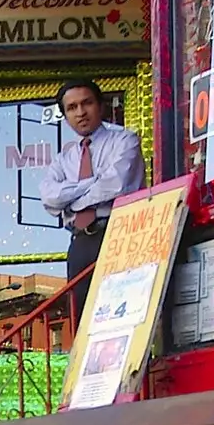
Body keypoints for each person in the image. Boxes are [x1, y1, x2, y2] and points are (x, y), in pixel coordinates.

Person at [40, 80, 145, 315]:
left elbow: (115, 185)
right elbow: (49, 197)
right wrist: (91, 183)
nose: (80, 112)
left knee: (122, 312)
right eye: (72, 107)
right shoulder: (63, 158)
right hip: (79, 243)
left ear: (100, 106)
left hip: (119, 233)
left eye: (86, 103)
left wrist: (71, 199)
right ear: (65, 116)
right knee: (82, 317)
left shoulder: (125, 141)